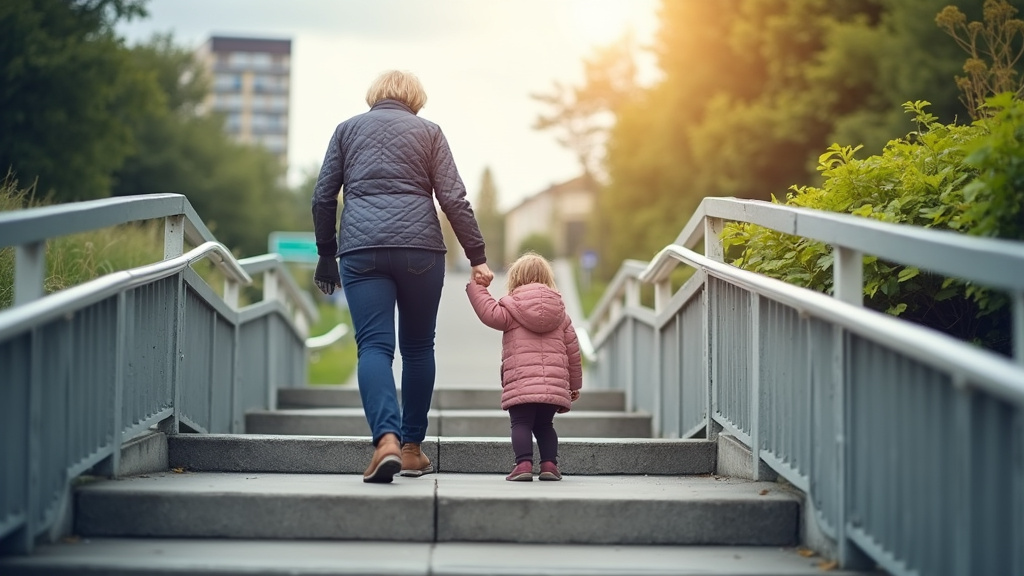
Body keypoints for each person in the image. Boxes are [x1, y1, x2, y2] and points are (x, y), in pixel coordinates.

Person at [312, 70, 494, 483]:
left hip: (361, 250)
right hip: (420, 251)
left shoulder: (346, 131)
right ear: (416, 98)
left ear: (374, 95)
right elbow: (453, 198)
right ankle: (411, 449)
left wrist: (326, 255)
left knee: (374, 346)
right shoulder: (429, 132)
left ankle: (386, 441)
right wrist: (477, 256)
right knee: (417, 347)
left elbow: (323, 195)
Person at [466, 252, 582, 481]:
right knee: (545, 425)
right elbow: (573, 352)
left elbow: (488, 313)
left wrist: (476, 287)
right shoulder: (561, 314)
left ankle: (523, 465)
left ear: (515, 278)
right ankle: (549, 466)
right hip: (553, 386)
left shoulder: (510, 309)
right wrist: (574, 385)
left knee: (521, 423)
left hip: (521, 383)